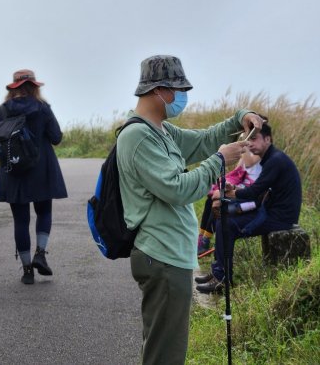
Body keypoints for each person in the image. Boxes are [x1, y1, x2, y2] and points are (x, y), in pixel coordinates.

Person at [116, 55, 264, 365]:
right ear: (159, 90)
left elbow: (205, 140)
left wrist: (241, 117)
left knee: (163, 349)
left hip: (170, 255)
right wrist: (219, 162)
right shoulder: (138, 137)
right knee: (165, 356)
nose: (181, 97)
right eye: (177, 90)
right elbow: (177, 188)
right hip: (162, 256)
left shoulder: (160, 131)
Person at [195, 121, 302, 293]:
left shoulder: (275, 161)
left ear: (268, 139)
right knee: (222, 217)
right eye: (248, 139)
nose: (250, 143)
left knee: (226, 224)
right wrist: (234, 190)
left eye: (255, 138)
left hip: (280, 218)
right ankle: (218, 272)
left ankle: (222, 279)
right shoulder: (271, 159)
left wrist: (231, 194)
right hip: (270, 211)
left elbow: (255, 192)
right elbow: (258, 192)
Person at [0, 69, 67, 285]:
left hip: (13, 172)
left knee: (20, 220)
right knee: (44, 211)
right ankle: (40, 254)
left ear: (13, 87)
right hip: (42, 169)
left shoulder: (3, 110)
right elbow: (56, 137)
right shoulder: (42, 108)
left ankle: (26, 271)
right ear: (34, 87)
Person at [197, 146, 262, 255]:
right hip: (241, 186)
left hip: (251, 190)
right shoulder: (249, 150)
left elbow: (249, 162)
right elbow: (238, 171)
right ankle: (202, 237)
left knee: (219, 201)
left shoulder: (260, 152)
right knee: (211, 198)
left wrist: (244, 147)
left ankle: (205, 240)